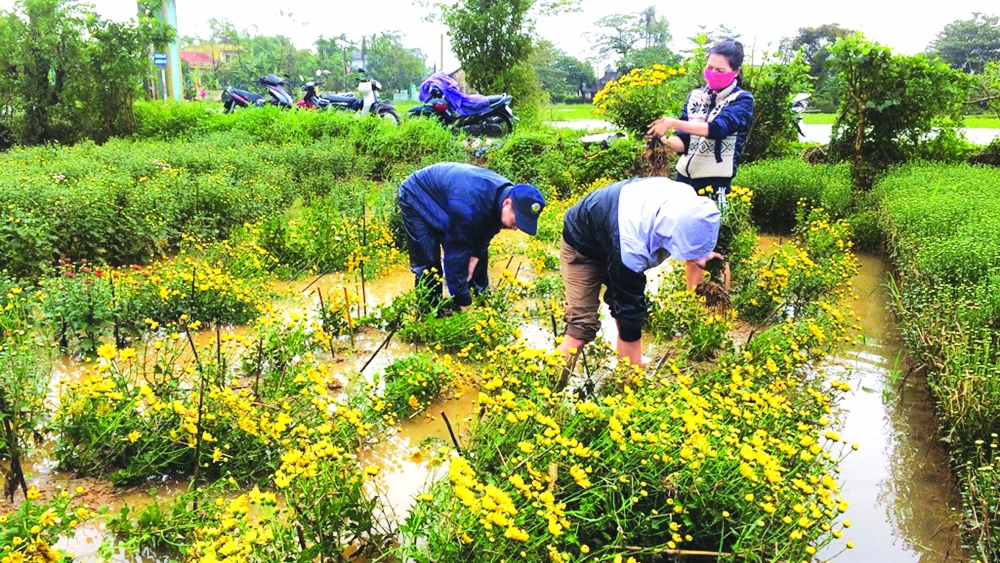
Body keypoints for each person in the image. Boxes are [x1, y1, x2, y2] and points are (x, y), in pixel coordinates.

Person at [557, 177, 723, 366]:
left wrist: (699, 253)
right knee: (580, 329)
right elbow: (629, 308)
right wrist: (634, 376)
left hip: (612, 227)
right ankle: (549, 387)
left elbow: (694, 236)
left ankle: (626, 368)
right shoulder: (632, 243)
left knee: (623, 312)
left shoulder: (691, 207)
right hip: (584, 244)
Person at [398, 162, 545, 312]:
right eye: (516, 221)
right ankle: (428, 312)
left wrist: (472, 264)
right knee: (428, 261)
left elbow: (482, 240)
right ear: (507, 203)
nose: (515, 228)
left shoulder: (505, 196)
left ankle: (480, 300)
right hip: (417, 194)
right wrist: (465, 305)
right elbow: (454, 256)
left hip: (450, 199)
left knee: (475, 259)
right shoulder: (470, 206)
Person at [646, 39, 754, 201]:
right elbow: (684, 143)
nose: (713, 73)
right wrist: (664, 139)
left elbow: (718, 129)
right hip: (683, 179)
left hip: (715, 184)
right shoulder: (695, 97)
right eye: (709, 68)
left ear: (736, 72)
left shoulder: (742, 100)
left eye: (720, 70)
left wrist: (673, 122)